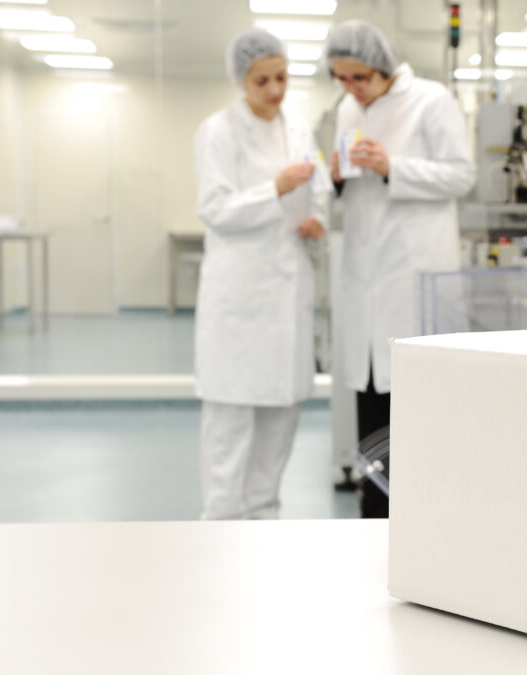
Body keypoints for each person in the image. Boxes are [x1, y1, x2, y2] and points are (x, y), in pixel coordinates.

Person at [326, 20, 476, 516]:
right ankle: (373, 519)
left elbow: (461, 175)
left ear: (383, 68)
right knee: (371, 416)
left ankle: (423, 525)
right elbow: (352, 194)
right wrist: (338, 178)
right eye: (340, 79)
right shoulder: (349, 109)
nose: (350, 89)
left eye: (359, 78)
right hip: (363, 285)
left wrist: (393, 167)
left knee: (417, 418)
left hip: (413, 283)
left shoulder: (431, 101)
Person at [192, 27, 327, 520]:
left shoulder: (298, 129)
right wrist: (275, 189)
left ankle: (264, 522)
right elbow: (215, 208)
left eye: (282, 77)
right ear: (240, 80)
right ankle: (220, 526)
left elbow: (321, 192)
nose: (275, 90)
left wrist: (319, 219)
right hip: (239, 298)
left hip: (287, 293)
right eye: (262, 80)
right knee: (229, 427)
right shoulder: (218, 131)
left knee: (280, 419)